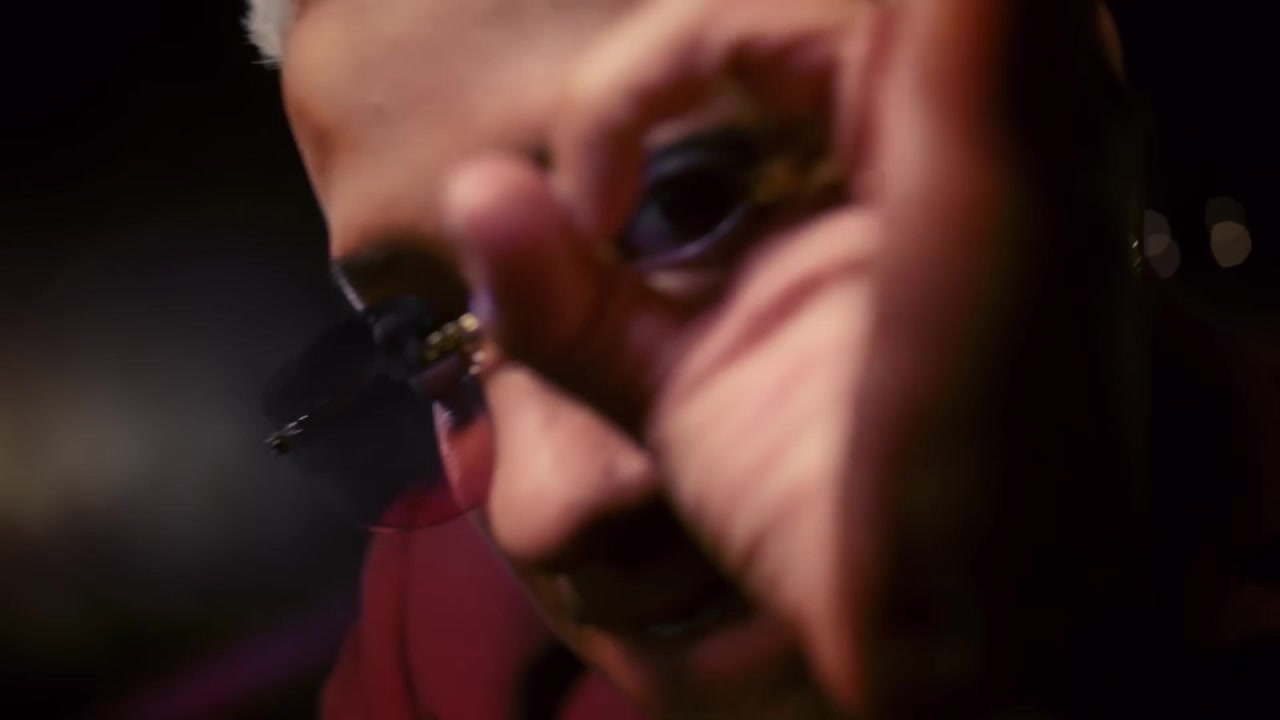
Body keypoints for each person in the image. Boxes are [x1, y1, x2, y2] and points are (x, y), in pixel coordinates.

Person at [246, 0, 1276, 718]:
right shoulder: (452, 644)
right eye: (420, 337)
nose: (544, 505)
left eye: (684, 208)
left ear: (1062, 104)